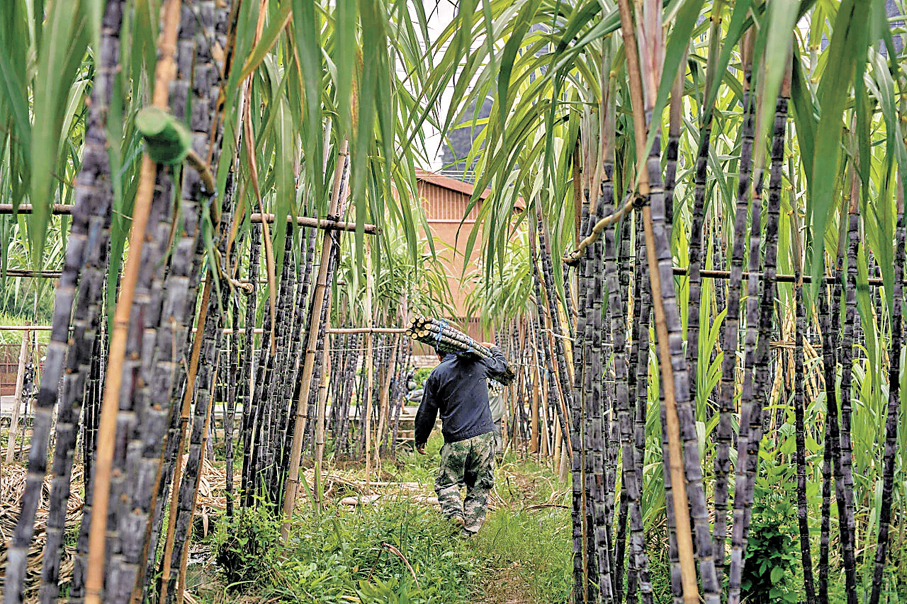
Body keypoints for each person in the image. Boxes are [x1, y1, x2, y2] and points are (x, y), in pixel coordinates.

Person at [414, 343, 510, 537]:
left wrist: (421, 438)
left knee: (447, 483)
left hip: (456, 439)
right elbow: (501, 368)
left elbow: (427, 410)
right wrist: (494, 349)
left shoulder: (437, 373)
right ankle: (469, 533)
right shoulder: (478, 363)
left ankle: (454, 513)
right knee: (480, 485)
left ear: (439, 355)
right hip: (484, 437)